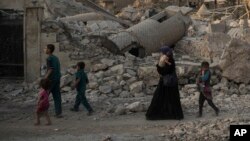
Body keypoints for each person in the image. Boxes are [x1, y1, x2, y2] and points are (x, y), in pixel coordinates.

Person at [146, 46, 184, 120]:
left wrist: (158, 66)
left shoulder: (169, 60)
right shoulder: (169, 59)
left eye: (162, 52)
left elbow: (164, 72)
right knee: (170, 99)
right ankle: (171, 114)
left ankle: (162, 114)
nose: (161, 53)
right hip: (170, 83)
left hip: (167, 82)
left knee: (160, 98)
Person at [44, 44, 62, 118]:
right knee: (57, 96)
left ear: (49, 50)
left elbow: (50, 69)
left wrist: (45, 78)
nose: (44, 49)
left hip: (51, 80)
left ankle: (43, 111)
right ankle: (58, 113)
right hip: (57, 79)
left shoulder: (49, 58)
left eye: (45, 48)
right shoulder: (56, 58)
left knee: (45, 95)